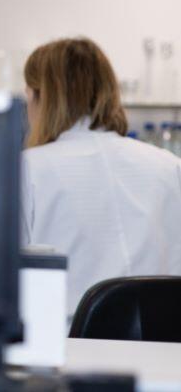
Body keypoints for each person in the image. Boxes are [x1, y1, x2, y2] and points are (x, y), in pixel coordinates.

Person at [21, 37, 181, 315]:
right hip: (164, 347)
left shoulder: (30, 168)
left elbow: (5, 274)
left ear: (40, 97)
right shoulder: (168, 165)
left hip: (68, 347)